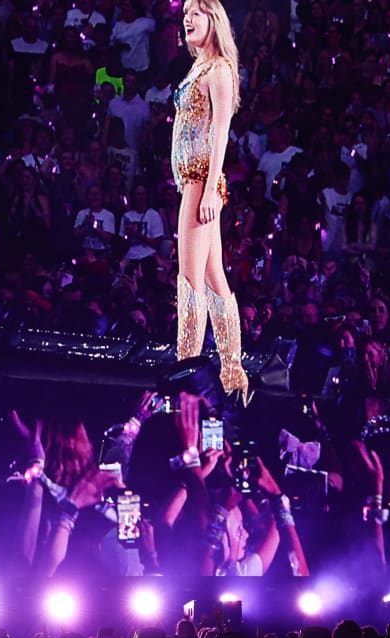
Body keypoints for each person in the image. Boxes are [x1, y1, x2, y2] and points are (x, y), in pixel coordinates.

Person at [170, 0, 250, 405]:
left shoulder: (219, 69)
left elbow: (221, 132)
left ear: (213, 20)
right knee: (215, 278)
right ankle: (233, 374)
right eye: (185, 14)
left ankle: (188, 367)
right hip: (195, 179)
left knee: (190, 280)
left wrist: (210, 189)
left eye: (195, 13)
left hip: (200, 180)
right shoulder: (198, 68)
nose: (187, 19)